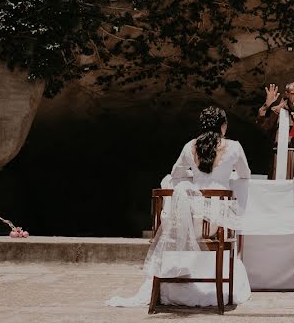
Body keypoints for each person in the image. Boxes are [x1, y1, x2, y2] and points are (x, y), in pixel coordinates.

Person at [108, 107, 252, 308]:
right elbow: (246, 174)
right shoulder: (234, 147)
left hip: (191, 221)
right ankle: (219, 287)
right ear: (223, 126)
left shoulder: (189, 146)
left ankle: (171, 283)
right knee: (225, 222)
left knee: (188, 217)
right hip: (217, 223)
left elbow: (175, 175)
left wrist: (194, 179)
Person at [257, 82, 294, 179]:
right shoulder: (277, 110)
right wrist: (267, 105)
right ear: (286, 94)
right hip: (279, 155)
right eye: (293, 93)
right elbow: (264, 126)